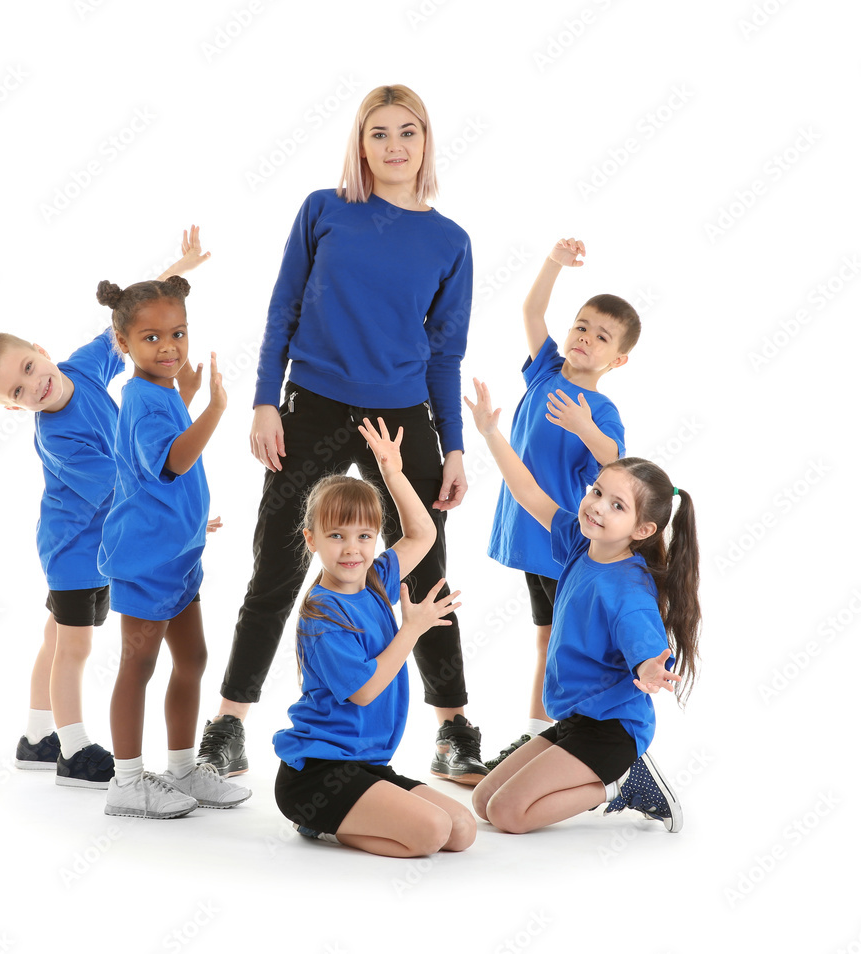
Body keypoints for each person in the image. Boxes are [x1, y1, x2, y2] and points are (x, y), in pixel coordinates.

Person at [200, 84, 487, 785]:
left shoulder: (450, 242)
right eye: (380, 133)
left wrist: (452, 445)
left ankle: (453, 729)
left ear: (426, 143)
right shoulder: (324, 210)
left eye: (408, 133)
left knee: (426, 573)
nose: (394, 146)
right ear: (361, 144)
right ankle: (230, 724)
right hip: (316, 403)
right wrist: (265, 401)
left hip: (402, 412)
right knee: (278, 563)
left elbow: (446, 354)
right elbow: (282, 310)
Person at [0, 228, 210, 790]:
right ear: (11, 408)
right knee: (74, 646)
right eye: (18, 392)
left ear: (41, 352)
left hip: (103, 545)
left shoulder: (82, 367)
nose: (34, 386)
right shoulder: (58, 438)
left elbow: (125, 318)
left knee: (55, 637)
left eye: (28, 368)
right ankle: (73, 751)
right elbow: (124, 482)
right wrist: (178, 507)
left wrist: (182, 268)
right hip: (75, 551)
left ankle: (34, 736)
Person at [466, 378, 700, 833]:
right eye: (596, 492)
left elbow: (649, 648)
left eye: (617, 506)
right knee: (483, 800)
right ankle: (613, 779)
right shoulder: (580, 541)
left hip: (613, 729)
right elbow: (528, 492)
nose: (596, 507)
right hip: (577, 717)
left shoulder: (629, 591)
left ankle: (624, 783)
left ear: (643, 530)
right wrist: (491, 433)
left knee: (510, 815)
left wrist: (652, 669)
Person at [273, 417, 477, 856]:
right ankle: (316, 822)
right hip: (317, 775)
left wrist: (392, 473)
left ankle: (346, 817)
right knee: (429, 834)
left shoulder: (377, 579)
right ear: (311, 540)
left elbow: (423, 533)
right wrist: (411, 629)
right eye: (336, 536)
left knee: (461, 830)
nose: (352, 549)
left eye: (365, 536)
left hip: (365, 767)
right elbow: (365, 690)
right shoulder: (321, 613)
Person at [96, 269, 250, 818]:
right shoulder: (139, 399)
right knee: (136, 667)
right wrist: (213, 408)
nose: (169, 347)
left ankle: (183, 769)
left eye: (178, 334)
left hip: (179, 557)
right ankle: (127, 782)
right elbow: (173, 460)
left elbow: (173, 408)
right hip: (145, 561)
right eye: (152, 338)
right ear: (124, 344)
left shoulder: (161, 389)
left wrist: (188, 391)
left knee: (194, 657)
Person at [483, 238, 640, 769]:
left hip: (562, 541)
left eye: (601, 338)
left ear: (616, 359)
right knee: (547, 638)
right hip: (528, 533)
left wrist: (584, 426)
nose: (585, 340)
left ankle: (550, 737)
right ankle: (541, 736)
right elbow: (530, 310)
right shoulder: (546, 372)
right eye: (581, 327)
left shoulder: (601, 407)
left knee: (559, 645)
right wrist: (554, 262)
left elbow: (615, 458)